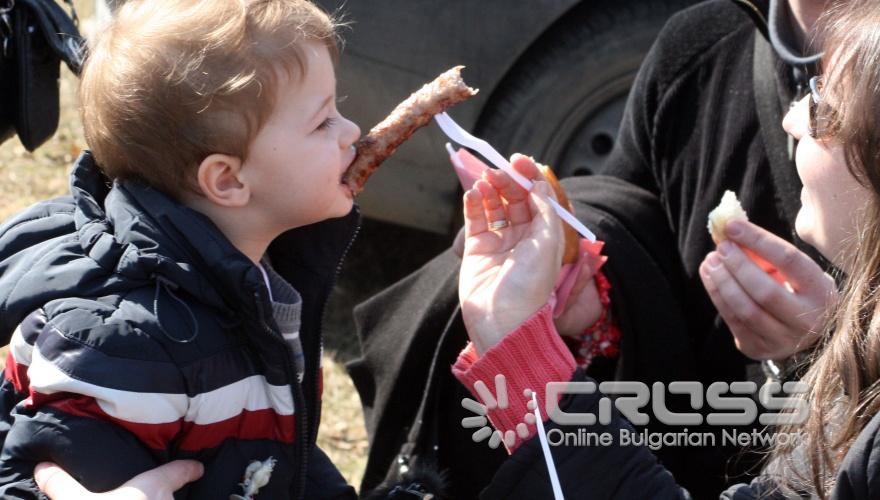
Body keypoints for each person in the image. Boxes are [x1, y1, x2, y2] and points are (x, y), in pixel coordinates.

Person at [347, 0, 840, 497]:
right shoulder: (702, 42)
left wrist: (835, 349)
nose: (796, 119)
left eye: (833, 113)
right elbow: (640, 224)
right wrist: (591, 291)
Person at [0, 0, 442, 497]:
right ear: (228, 180)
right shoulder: (124, 347)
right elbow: (43, 478)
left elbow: (267, 450)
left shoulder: (257, 279)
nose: (352, 132)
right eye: (322, 122)